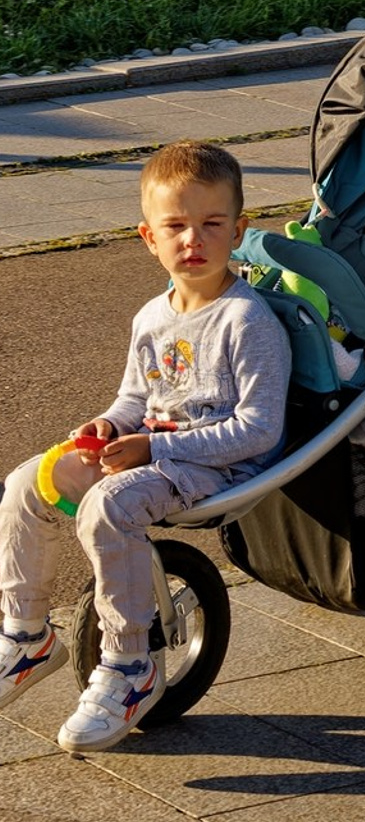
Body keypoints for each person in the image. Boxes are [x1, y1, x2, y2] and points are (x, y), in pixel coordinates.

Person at [0, 140, 290, 753]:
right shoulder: (151, 317)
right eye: (176, 226)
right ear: (148, 237)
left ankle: (132, 666)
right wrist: (108, 427)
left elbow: (261, 430)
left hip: (221, 466)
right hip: (153, 453)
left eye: (212, 225)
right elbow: (135, 399)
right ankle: (28, 635)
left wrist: (150, 452)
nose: (194, 240)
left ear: (238, 231)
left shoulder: (247, 321)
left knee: (110, 508)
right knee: (28, 482)